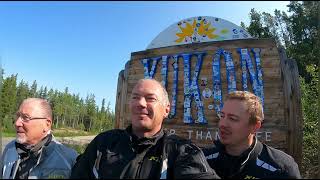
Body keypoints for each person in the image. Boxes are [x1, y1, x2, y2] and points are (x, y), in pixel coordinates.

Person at [71, 78, 220, 179]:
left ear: (166, 110)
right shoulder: (103, 143)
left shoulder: (181, 151)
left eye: (150, 98)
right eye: (135, 97)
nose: (140, 103)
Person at [202, 91, 302, 179]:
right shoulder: (200, 161)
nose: (222, 124)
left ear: (255, 126)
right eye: (222, 116)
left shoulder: (280, 168)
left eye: (233, 118)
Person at [1, 98, 78, 179]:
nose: (17, 123)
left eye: (26, 117)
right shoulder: (10, 149)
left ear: (47, 124)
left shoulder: (69, 159)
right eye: (18, 116)